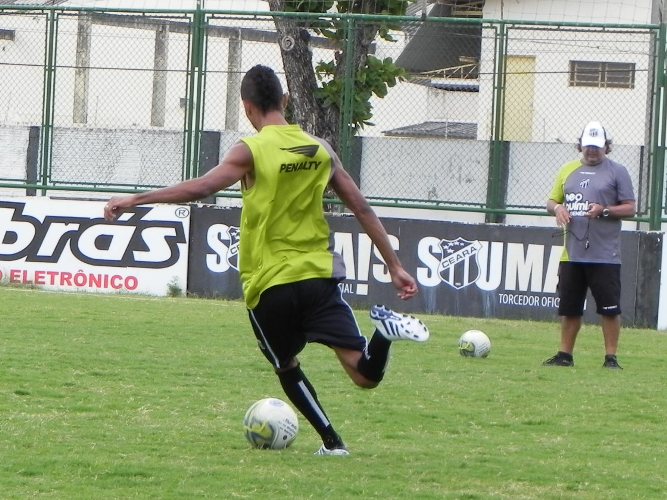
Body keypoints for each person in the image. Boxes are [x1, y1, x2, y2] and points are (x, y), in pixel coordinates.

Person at [104, 64, 429, 455]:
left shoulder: (251, 149)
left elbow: (203, 187)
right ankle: (383, 334)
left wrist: (135, 200)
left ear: (246, 107)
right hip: (317, 276)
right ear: (286, 100)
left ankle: (333, 442)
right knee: (364, 375)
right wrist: (394, 266)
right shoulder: (320, 149)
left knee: (286, 365)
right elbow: (362, 208)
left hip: (269, 282)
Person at [543, 121, 636, 369]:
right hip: (571, 254)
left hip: (605, 255)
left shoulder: (618, 171)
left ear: (607, 147)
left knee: (609, 309)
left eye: (597, 147)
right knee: (570, 308)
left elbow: (630, 207)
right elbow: (551, 201)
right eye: (588, 147)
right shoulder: (567, 170)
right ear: (580, 146)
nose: (592, 151)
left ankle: (611, 358)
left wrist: (604, 210)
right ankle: (564, 355)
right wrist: (559, 208)